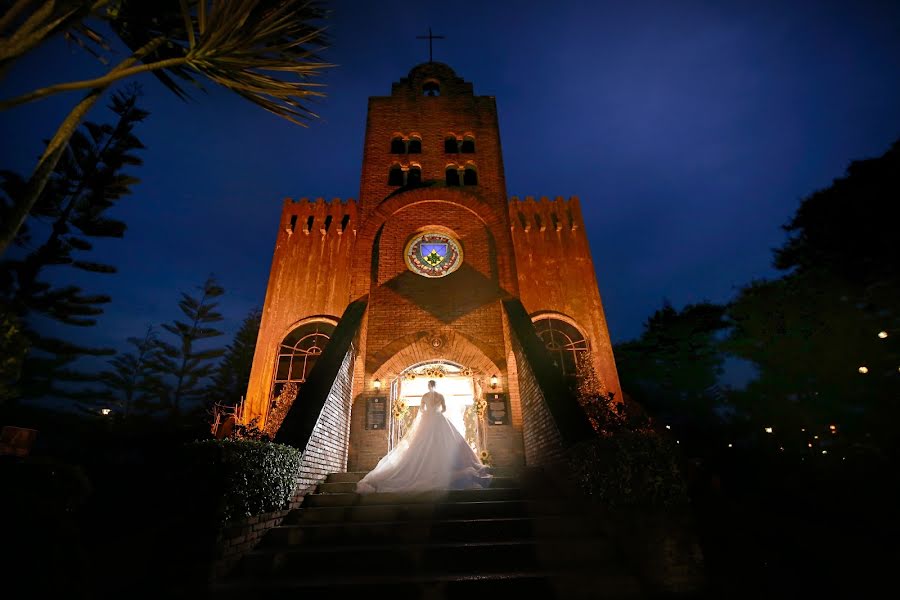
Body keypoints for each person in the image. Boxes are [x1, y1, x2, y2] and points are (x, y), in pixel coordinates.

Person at [356, 379, 493, 493]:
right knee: (450, 441)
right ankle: (469, 465)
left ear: (429, 386)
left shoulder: (425, 396)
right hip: (439, 419)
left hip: (427, 419)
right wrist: (437, 411)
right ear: (435, 386)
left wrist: (428, 412)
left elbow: (421, 409)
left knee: (422, 444)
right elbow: (444, 408)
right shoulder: (440, 396)